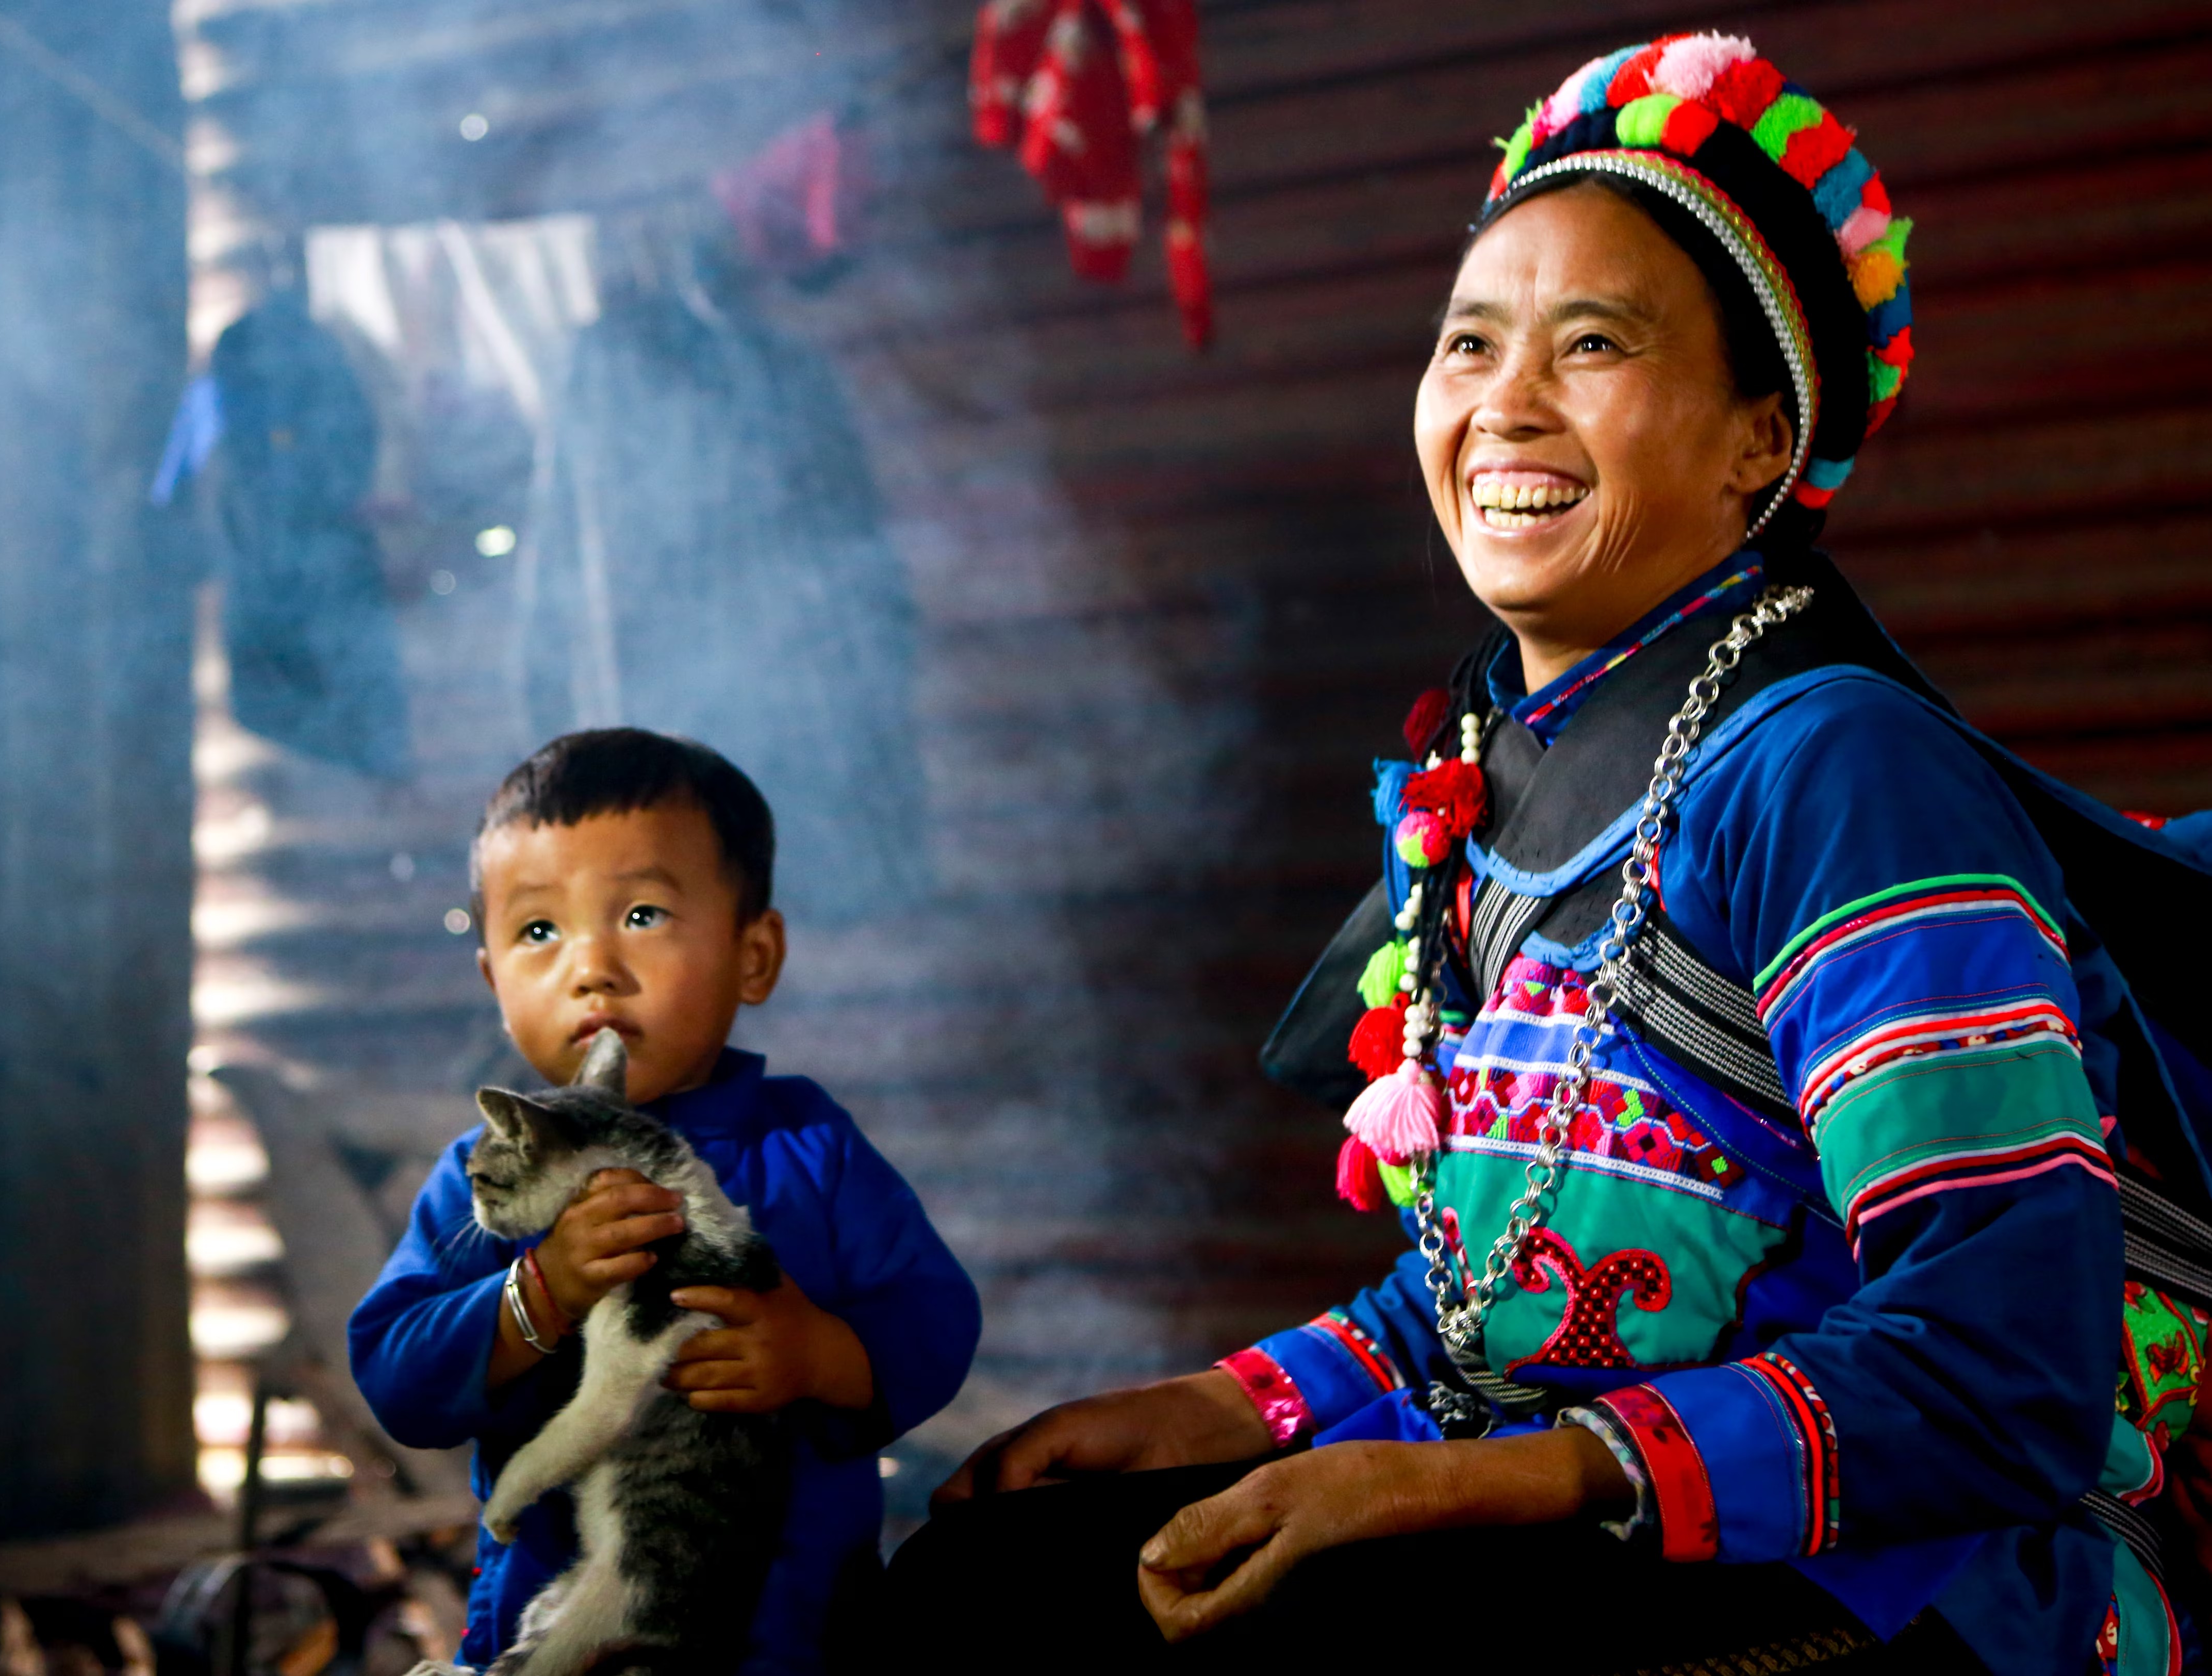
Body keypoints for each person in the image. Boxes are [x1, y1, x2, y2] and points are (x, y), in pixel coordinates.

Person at [880, 31, 2212, 1676]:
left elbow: (1997, 1363)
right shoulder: (1480, 783)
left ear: (1757, 441)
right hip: (1563, 1515)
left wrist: (1466, 1488)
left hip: (1899, 1584)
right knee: (987, 1579)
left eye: (1592, 344)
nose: (1504, 402)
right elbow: (1493, 1296)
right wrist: (1221, 1405)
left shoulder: (1842, 773)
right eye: (1469, 342)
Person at [350, 728, 981, 1673]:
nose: (591, 965)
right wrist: (540, 1295)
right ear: (492, 980)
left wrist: (818, 1353)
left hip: (802, 1642)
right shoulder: (486, 1177)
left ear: (753, 954)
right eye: (537, 931)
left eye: (642, 914)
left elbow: (935, 1319)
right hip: (565, 1635)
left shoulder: (810, 1150)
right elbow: (395, 1371)